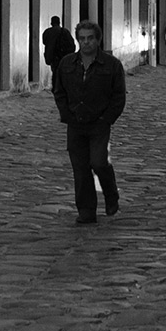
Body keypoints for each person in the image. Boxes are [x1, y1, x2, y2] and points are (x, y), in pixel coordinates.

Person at [52, 20, 125, 224]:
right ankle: (86, 210)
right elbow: (59, 91)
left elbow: (119, 96)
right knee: (80, 168)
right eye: (82, 39)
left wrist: (107, 118)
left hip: (99, 123)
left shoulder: (111, 65)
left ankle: (111, 195)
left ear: (98, 39)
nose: (86, 43)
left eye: (90, 38)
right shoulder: (67, 64)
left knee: (99, 162)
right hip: (75, 123)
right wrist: (66, 113)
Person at [41, 16, 75, 88]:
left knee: (55, 72)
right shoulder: (65, 31)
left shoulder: (47, 32)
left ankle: (56, 87)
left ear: (51, 23)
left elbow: (44, 42)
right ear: (59, 22)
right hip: (63, 56)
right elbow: (72, 45)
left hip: (52, 56)